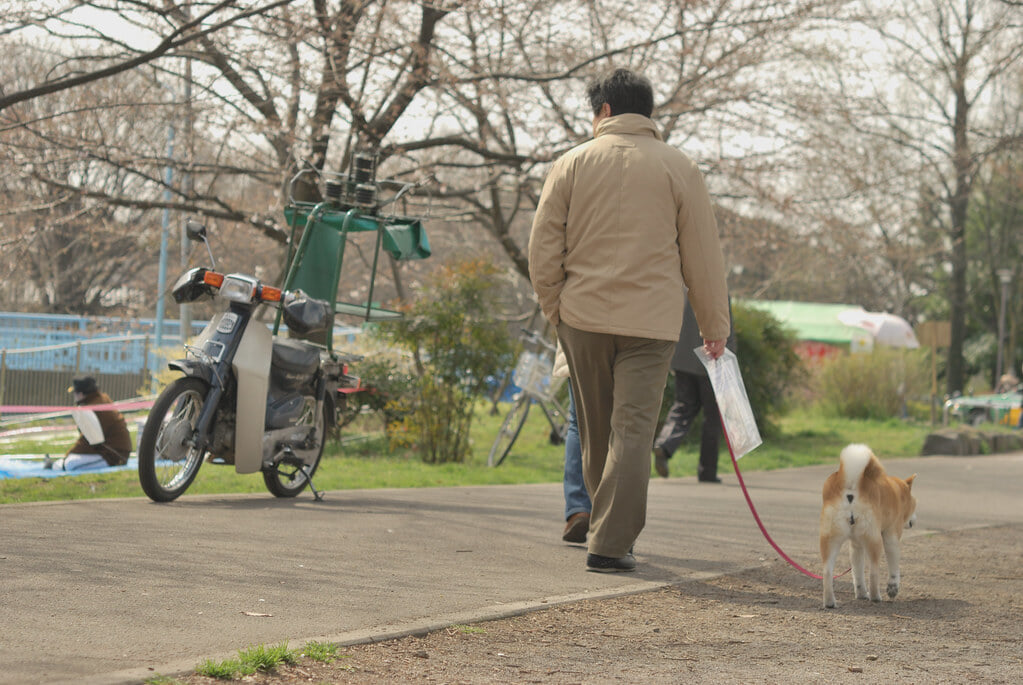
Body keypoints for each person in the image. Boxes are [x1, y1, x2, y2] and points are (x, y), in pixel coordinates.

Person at [528, 68, 730, 573]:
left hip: (582, 317)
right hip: (652, 324)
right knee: (634, 431)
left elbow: (543, 248)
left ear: (603, 111)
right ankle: (611, 542)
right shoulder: (680, 167)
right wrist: (714, 325)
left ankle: (607, 532)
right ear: (649, 112)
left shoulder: (570, 163)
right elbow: (702, 256)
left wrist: (556, 308)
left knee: (596, 433)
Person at [653, 296, 735, 483]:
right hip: (711, 359)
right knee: (712, 416)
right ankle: (707, 470)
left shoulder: (680, 285)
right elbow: (724, 325)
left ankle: (664, 446)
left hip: (681, 357)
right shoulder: (715, 285)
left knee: (683, 406)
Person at [45, 376, 132, 471]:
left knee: (70, 465)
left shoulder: (91, 408)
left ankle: (53, 466)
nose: (74, 395)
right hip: (115, 452)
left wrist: (68, 455)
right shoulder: (101, 399)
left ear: (81, 394)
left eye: (75, 392)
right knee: (70, 461)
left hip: (114, 456)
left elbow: (88, 440)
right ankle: (56, 465)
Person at [553, 344, 591, 543]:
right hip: (633, 333)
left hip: (581, 328)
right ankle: (615, 518)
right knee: (623, 424)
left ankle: (579, 509)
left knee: (578, 423)